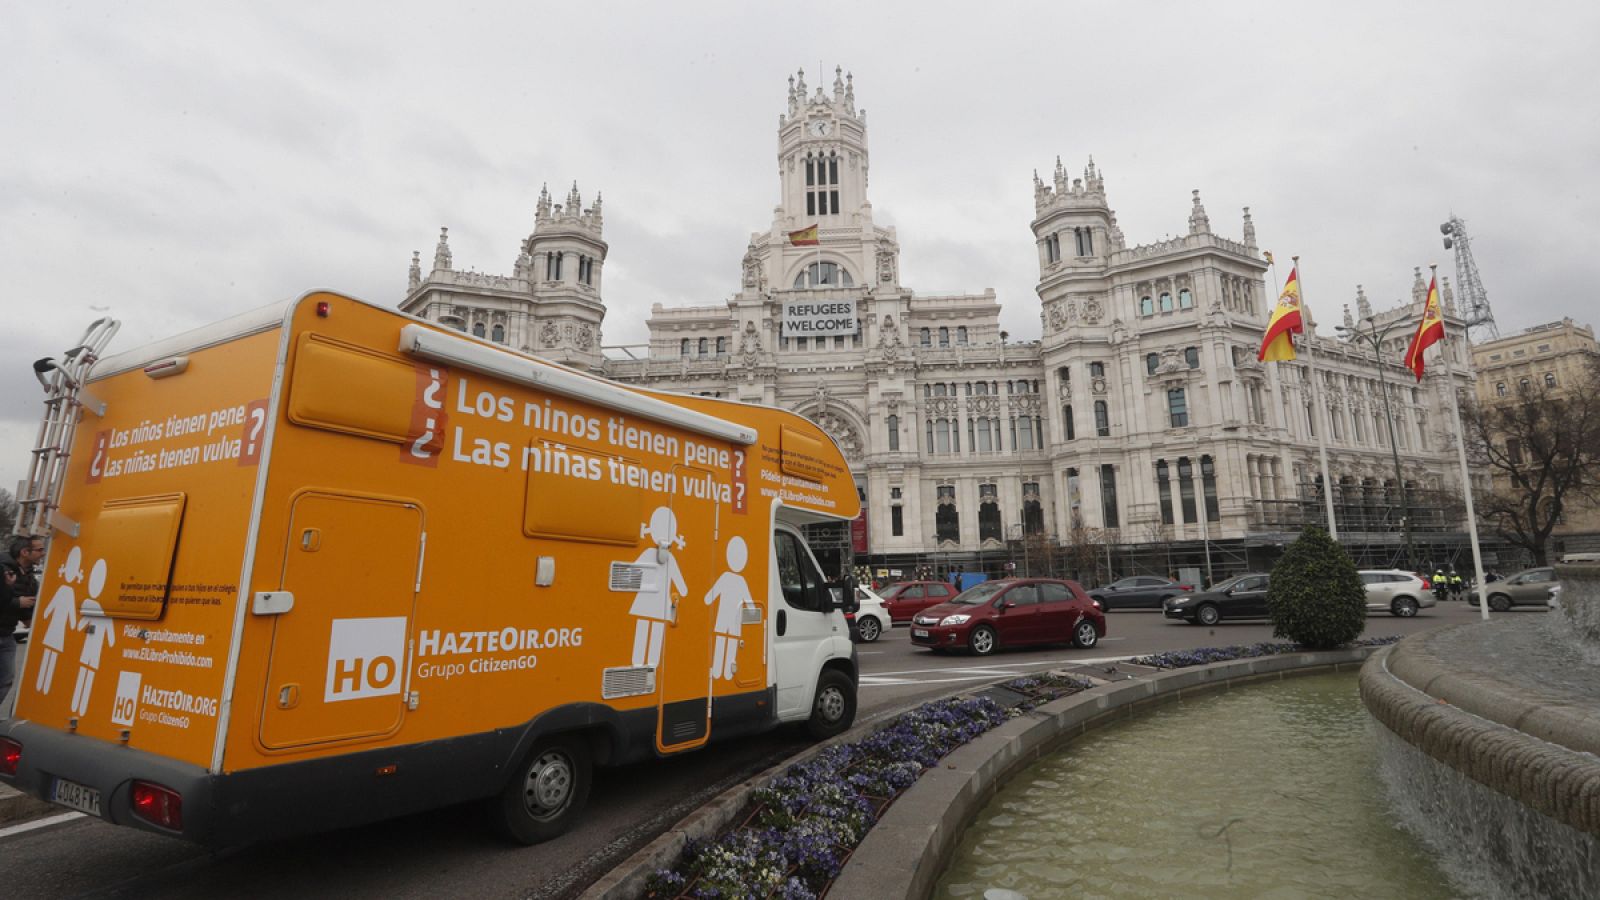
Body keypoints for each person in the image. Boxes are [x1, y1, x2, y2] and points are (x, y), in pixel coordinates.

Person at [0, 535, 44, 711]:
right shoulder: (3, 569)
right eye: (39, 549)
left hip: (6, 634)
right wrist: (18, 603)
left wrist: (32, 621)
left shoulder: (29, 577)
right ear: (25, 552)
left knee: (6, 679)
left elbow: (26, 607)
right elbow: (12, 600)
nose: (43, 553)